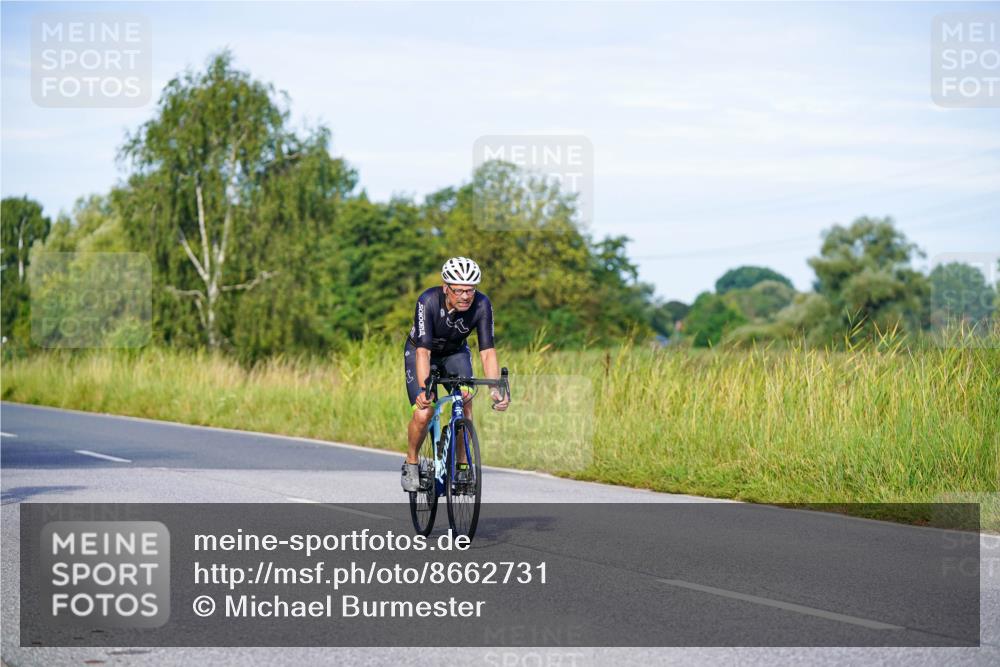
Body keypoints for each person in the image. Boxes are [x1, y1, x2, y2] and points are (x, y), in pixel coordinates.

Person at [401, 257, 509, 491]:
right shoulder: (427, 301)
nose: (465, 296)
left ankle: (461, 467)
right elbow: (423, 352)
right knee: (423, 412)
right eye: (459, 290)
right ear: (446, 288)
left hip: (455, 353)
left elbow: (487, 351)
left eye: (470, 290)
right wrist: (423, 389)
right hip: (420, 351)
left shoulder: (482, 305)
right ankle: (411, 461)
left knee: (465, 400)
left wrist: (495, 389)